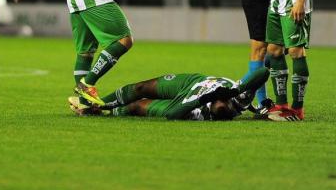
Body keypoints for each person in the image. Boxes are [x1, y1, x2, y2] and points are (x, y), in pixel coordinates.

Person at [69, 67, 270, 120]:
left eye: (215, 103)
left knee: (137, 106)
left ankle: (101, 111)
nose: (218, 101)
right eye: (220, 101)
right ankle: (98, 102)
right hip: (193, 81)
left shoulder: (200, 113)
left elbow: (172, 113)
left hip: (186, 100)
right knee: (140, 88)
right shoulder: (238, 99)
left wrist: (202, 98)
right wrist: (237, 89)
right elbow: (262, 73)